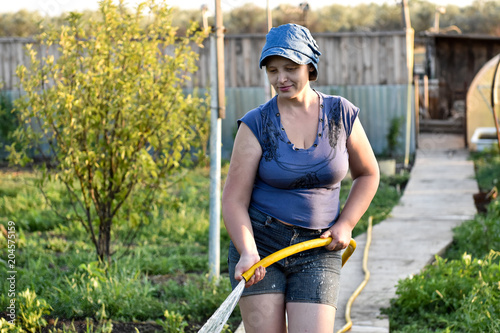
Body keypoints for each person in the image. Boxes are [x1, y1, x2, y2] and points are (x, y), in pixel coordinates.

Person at [222, 23, 380, 332]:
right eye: (272, 70)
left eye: (290, 68)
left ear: (309, 66)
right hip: (262, 245)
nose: (281, 79)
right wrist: (247, 250)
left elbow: (369, 173)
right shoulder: (256, 124)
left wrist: (345, 224)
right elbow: (233, 199)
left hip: (319, 248)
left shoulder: (341, 114)